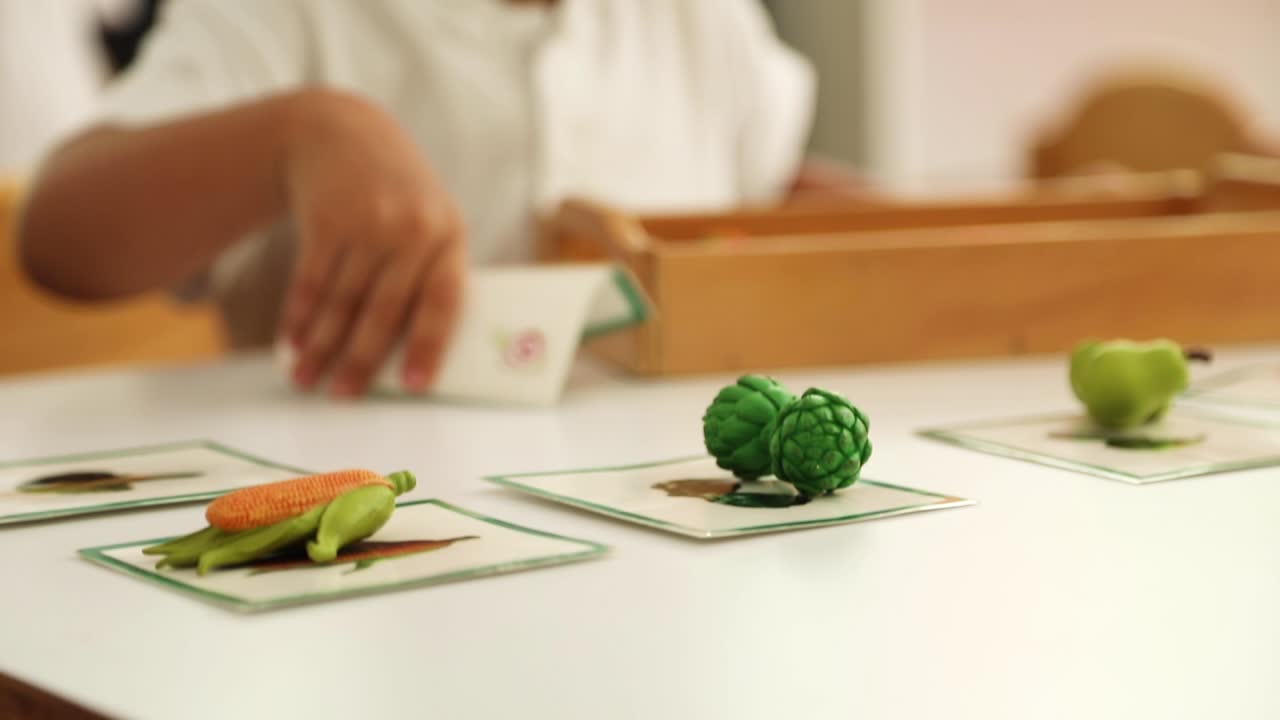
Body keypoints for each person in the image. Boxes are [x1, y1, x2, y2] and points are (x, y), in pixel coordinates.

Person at [17, 0, 861, 398]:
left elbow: (758, 201)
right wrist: (302, 134)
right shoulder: (277, 15)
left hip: (669, 541)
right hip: (354, 554)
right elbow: (59, 235)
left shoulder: (703, 19)